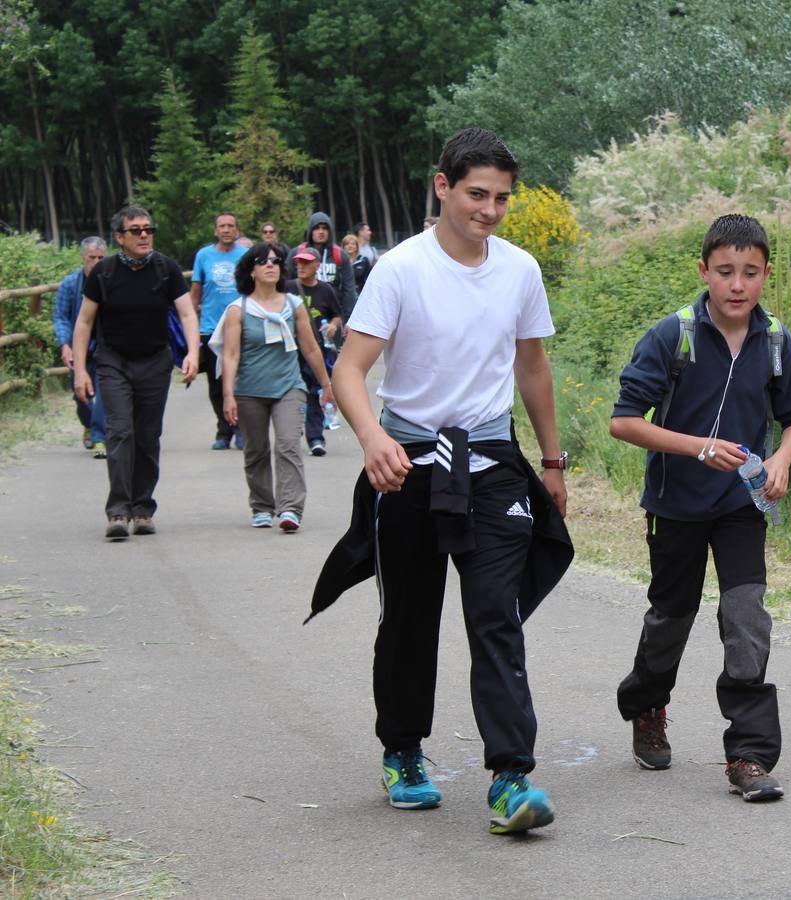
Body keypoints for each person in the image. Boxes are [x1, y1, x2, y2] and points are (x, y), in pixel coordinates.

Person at [310, 127, 572, 835]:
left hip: (490, 467)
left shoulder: (519, 270)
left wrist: (551, 463)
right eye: (477, 194)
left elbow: (533, 368)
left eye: (501, 198)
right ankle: (402, 752)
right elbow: (349, 370)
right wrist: (373, 439)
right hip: (410, 468)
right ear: (442, 187)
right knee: (409, 618)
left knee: (497, 614)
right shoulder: (401, 270)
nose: (489, 210)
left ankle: (511, 777)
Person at [610, 214, 791, 802]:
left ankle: (748, 754)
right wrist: (697, 447)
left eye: (750, 273)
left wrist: (782, 461)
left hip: (742, 506)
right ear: (704, 271)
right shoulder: (671, 336)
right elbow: (624, 422)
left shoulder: (775, 341)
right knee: (672, 615)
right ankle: (646, 703)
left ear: (766, 275)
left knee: (745, 618)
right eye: (725, 272)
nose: (737, 285)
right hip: (675, 505)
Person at [71, 205, 199, 540]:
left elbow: (187, 314)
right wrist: (81, 371)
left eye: (148, 229)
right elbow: (84, 323)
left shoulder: (165, 269)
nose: (144, 235)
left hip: (155, 362)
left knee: (146, 436)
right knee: (120, 432)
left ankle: (142, 509)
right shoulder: (105, 273)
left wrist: (193, 354)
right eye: (136, 230)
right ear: (120, 237)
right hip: (113, 361)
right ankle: (118, 511)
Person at [214, 242, 332, 532]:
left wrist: (327, 385)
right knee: (256, 450)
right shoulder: (237, 309)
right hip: (249, 391)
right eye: (263, 261)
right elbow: (230, 355)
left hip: (289, 387)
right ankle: (262, 506)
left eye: (276, 261)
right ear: (251, 270)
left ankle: (290, 508)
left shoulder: (294, 305)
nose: (271, 265)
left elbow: (311, 348)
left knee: (288, 445)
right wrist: (228, 395)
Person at [191, 212, 248, 449]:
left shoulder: (245, 255)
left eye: (230, 226)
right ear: (216, 230)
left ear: (236, 230)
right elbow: (195, 291)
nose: (226, 229)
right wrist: (191, 327)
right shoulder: (204, 255)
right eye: (222, 226)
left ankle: (242, 428)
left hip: (241, 326)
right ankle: (223, 430)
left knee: (241, 381)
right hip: (210, 328)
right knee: (216, 384)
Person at [53, 236, 108, 457]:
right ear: (83, 257)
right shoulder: (69, 284)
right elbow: (61, 317)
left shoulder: (111, 282)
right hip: (79, 347)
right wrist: (64, 345)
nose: (96, 262)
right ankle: (88, 424)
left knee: (104, 391)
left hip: (105, 346)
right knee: (81, 395)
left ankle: (99, 438)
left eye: (101, 258)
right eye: (91, 258)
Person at [285, 247, 342, 457]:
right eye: (298, 262)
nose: (301, 266)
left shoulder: (326, 290)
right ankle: (291, 431)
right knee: (290, 393)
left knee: (314, 393)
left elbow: (337, 315)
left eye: (306, 262)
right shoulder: (288, 287)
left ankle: (315, 437)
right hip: (289, 350)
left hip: (315, 350)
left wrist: (333, 326)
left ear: (317, 266)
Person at [285, 212, 357, 321]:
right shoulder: (296, 253)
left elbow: (349, 288)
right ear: (310, 231)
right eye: (316, 228)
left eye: (324, 228)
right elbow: (285, 283)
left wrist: (348, 317)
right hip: (301, 311)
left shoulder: (339, 255)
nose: (321, 232)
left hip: (333, 314)